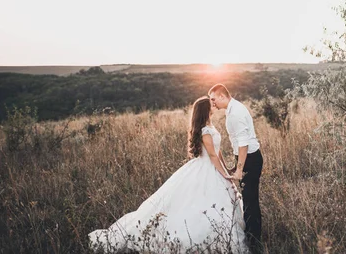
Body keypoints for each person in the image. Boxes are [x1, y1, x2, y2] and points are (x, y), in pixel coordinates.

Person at [88, 97, 248, 253]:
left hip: (214, 167)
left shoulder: (210, 126)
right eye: (211, 104)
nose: (214, 105)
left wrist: (226, 169)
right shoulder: (205, 131)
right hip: (205, 168)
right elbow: (212, 155)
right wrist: (225, 175)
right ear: (205, 110)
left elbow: (217, 152)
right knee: (197, 202)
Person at [208, 84, 263, 253]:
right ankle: (252, 236)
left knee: (250, 199)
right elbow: (238, 144)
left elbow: (243, 143)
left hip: (251, 159)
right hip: (246, 158)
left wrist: (240, 169)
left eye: (214, 99)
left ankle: (254, 242)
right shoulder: (231, 110)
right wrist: (237, 163)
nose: (213, 103)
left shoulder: (236, 113)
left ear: (222, 96)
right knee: (248, 198)